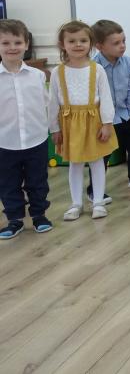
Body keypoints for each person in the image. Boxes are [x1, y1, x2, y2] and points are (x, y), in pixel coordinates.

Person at [49, 21, 118, 220]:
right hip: (69, 124)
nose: (78, 44)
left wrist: (107, 124)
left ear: (91, 43)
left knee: (97, 162)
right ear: (62, 44)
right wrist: (54, 128)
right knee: (75, 163)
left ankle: (98, 201)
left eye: (83, 40)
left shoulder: (97, 70)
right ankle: (76, 203)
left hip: (94, 122)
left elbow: (106, 98)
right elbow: (52, 102)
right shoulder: (57, 72)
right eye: (72, 41)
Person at [0, 19, 52, 238]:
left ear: (26, 44)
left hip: (35, 140)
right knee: (7, 183)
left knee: (38, 181)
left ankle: (39, 215)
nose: (12, 47)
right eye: (5, 43)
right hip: (5, 142)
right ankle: (15, 220)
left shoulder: (37, 76)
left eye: (17, 42)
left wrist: (53, 130)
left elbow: (47, 105)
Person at [92, 19, 130, 195]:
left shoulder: (127, 63)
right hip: (105, 119)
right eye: (116, 43)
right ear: (100, 46)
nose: (122, 46)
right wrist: (102, 119)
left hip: (126, 114)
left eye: (123, 41)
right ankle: (94, 190)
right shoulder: (93, 67)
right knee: (102, 155)